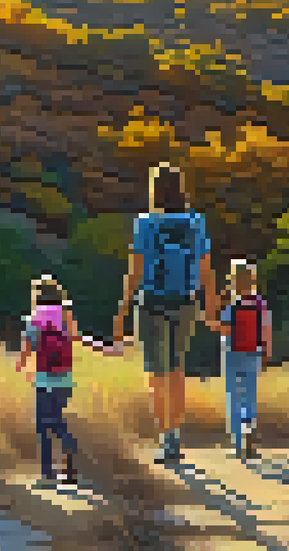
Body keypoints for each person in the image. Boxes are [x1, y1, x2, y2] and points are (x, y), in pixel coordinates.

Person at [112, 162, 214, 465]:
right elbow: (206, 267)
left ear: (155, 190)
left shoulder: (145, 222)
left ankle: (164, 438)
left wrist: (122, 309)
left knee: (156, 373)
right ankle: (176, 436)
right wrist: (211, 305)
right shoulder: (195, 222)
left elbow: (135, 270)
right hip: (185, 302)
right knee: (177, 370)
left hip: (151, 302)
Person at [16, 274, 82, 487]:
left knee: (44, 425)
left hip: (45, 378)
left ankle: (47, 475)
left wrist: (21, 365)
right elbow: (73, 340)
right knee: (58, 418)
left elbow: (27, 348)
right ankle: (68, 455)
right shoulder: (66, 316)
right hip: (65, 377)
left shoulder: (35, 318)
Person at [207, 259, 273, 460]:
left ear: (234, 281)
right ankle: (249, 430)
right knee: (249, 394)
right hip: (253, 351)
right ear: (252, 281)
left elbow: (226, 329)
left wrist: (212, 324)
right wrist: (266, 351)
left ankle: (237, 444)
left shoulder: (231, 305)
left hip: (231, 352)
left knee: (233, 396)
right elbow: (266, 329)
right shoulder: (260, 304)